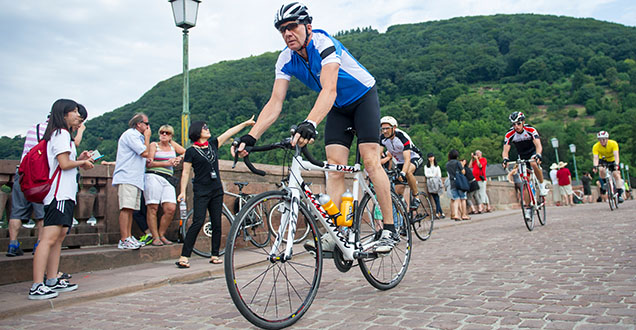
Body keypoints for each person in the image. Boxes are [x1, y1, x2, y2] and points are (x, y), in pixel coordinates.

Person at [233, 3, 396, 253]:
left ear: (307, 27)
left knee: (371, 161)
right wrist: (252, 136)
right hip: (338, 108)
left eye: (292, 27)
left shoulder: (323, 43)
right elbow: (275, 102)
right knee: (333, 167)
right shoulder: (285, 59)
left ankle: (389, 228)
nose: (287, 33)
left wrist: (311, 122)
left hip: (363, 97)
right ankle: (338, 231)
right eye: (281, 30)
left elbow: (329, 88)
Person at [29, 99, 94, 300]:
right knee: (47, 239)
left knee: (58, 237)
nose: (78, 115)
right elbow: (64, 164)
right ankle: (37, 284)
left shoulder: (64, 136)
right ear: (63, 114)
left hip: (65, 194)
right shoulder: (60, 134)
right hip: (57, 194)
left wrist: (80, 158)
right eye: (74, 111)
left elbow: (66, 163)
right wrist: (82, 162)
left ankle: (51, 279)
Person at [176, 117, 255, 268]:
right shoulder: (191, 151)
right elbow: (185, 173)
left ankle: (215, 254)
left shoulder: (213, 144)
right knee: (198, 221)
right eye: (204, 127)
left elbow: (228, 132)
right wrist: (182, 192)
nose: (207, 129)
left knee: (216, 222)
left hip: (216, 189)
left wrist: (245, 124)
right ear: (197, 131)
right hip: (201, 190)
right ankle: (184, 256)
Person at [6, 117, 48, 257]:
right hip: (39, 176)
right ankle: (39, 245)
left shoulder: (33, 129)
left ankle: (13, 244)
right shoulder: (56, 132)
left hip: (22, 172)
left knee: (17, 211)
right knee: (42, 214)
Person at [112, 113, 151, 250]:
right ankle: (124, 238)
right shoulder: (131, 135)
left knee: (131, 209)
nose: (148, 126)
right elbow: (144, 152)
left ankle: (128, 237)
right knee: (126, 208)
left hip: (135, 177)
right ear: (138, 124)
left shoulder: (137, 137)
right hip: (127, 176)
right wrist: (147, 138)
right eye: (146, 123)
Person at [144, 125, 186, 246]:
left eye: (167, 133)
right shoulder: (154, 145)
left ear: (171, 136)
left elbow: (186, 151)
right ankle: (155, 236)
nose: (164, 135)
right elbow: (149, 163)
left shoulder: (173, 146)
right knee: (153, 207)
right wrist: (166, 163)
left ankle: (161, 234)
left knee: (170, 208)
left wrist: (178, 158)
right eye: (162, 132)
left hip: (168, 178)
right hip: (154, 176)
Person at [379, 116, 424, 209]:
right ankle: (404, 213)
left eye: (387, 128)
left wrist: (402, 173)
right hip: (399, 161)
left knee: (407, 172)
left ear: (394, 128)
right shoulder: (382, 138)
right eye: (383, 129)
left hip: (413, 157)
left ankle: (416, 196)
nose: (384, 131)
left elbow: (407, 159)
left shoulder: (402, 137)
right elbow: (378, 155)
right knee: (398, 192)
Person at [501, 111, 549, 196]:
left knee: (533, 163)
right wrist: (505, 159)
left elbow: (538, 145)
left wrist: (538, 154)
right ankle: (528, 207)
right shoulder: (509, 134)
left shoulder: (530, 130)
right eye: (514, 124)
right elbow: (505, 150)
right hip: (522, 155)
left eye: (518, 123)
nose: (516, 126)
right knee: (525, 180)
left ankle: (542, 186)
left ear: (523, 122)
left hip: (533, 152)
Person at [592, 131, 623, 203]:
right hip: (603, 160)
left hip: (612, 160)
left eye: (603, 139)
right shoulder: (596, 146)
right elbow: (595, 158)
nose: (602, 141)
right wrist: (595, 166)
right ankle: (605, 183)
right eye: (600, 139)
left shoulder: (613, 143)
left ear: (607, 139)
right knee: (601, 170)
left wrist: (616, 164)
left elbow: (616, 155)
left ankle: (619, 194)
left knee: (616, 174)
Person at [446, 149, 470, 221]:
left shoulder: (447, 164)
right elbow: (463, 172)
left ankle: (456, 214)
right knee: (463, 198)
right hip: (460, 183)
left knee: (456, 199)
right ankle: (464, 214)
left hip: (452, 183)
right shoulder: (457, 163)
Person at [424, 153, 445, 219]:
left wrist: (432, 175)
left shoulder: (437, 166)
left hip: (436, 183)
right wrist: (433, 175)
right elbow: (426, 174)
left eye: (432, 157)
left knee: (437, 198)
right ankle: (441, 213)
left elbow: (439, 175)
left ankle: (437, 213)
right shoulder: (426, 166)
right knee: (436, 198)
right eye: (429, 157)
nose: (431, 158)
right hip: (430, 183)